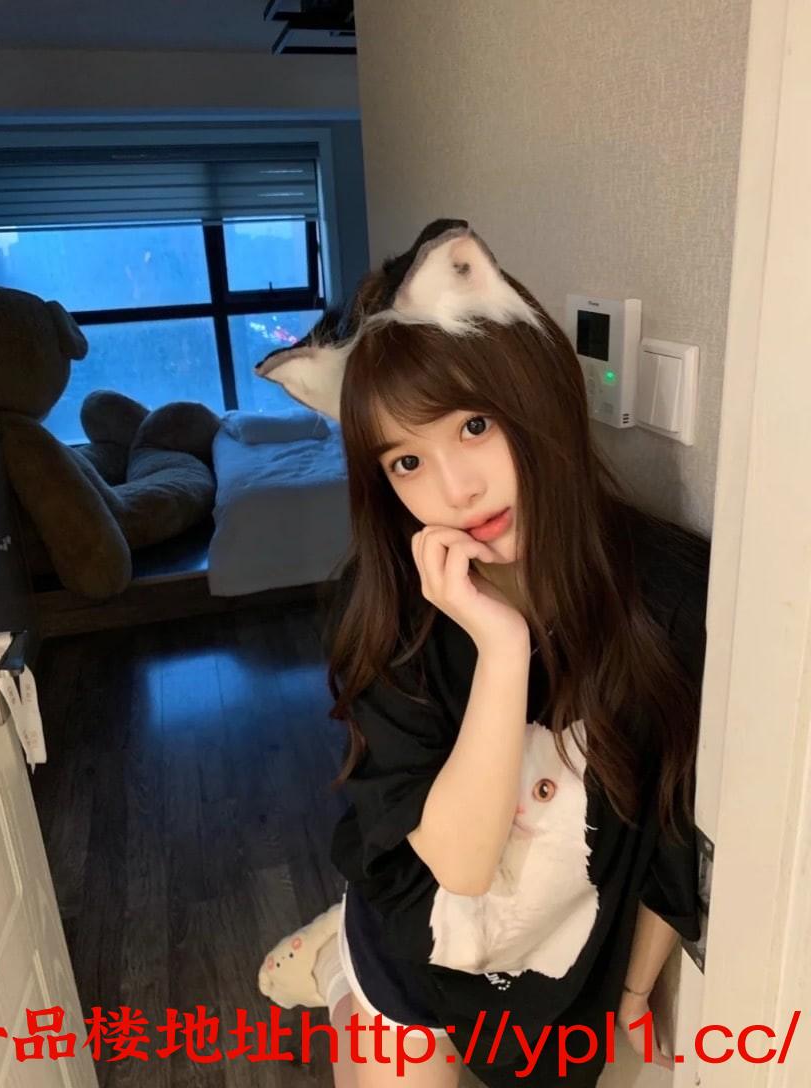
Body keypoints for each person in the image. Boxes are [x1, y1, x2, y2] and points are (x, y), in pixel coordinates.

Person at [254, 219, 710, 1087]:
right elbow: (459, 869)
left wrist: (633, 989)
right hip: (415, 938)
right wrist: (502, 647)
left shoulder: (669, 592)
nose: (454, 491)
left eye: (472, 425)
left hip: (547, 964)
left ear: (535, 393)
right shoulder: (385, 611)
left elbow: (672, 818)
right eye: (405, 462)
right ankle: (342, 959)